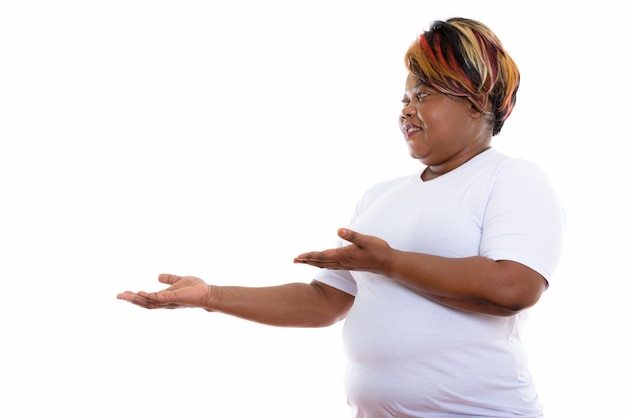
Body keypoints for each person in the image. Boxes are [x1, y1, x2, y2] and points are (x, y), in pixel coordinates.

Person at [118, 17, 564, 418]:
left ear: (476, 102)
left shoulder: (512, 178)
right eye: (405, 97)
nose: (406, 109)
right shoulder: (380, 196)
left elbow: (513, 287)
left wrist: (389, 263)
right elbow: (324, 302)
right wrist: (210, 295)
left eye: (423, 95)